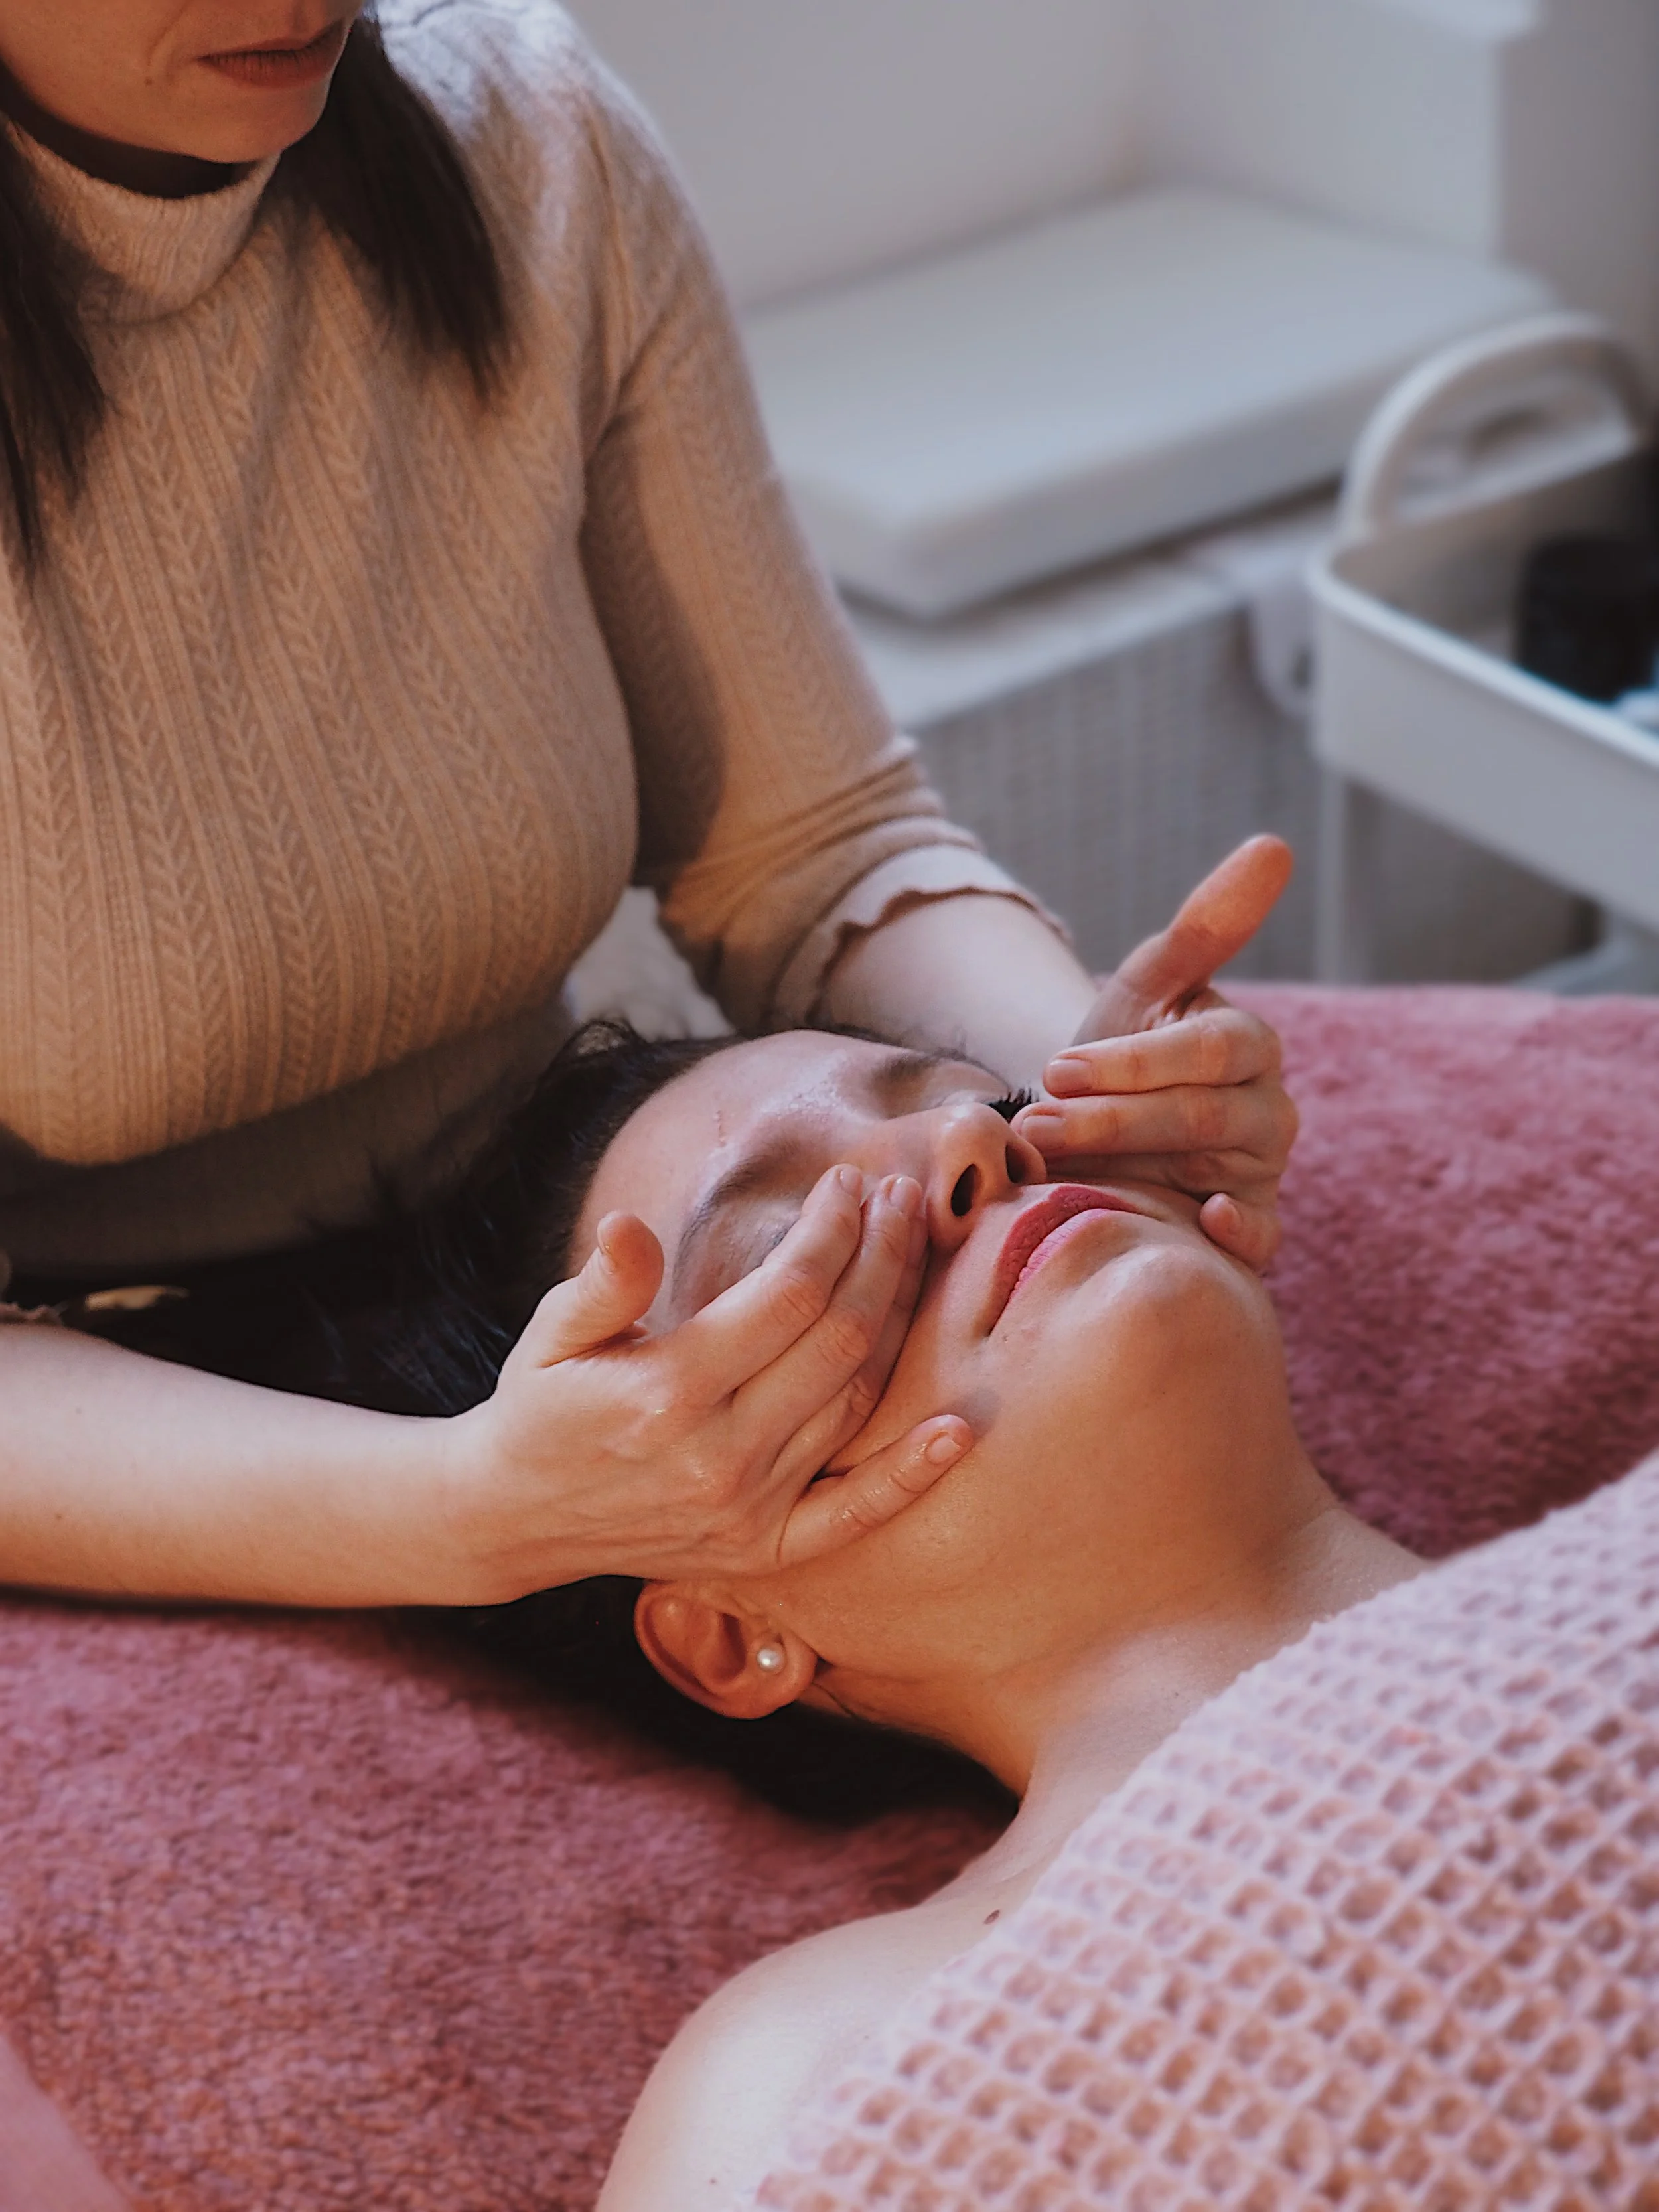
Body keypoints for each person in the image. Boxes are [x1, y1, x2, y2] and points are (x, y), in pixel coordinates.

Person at [0, 0, 1296, 1613]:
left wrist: (1087, 1090)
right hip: (107, 1423)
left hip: (550, 1255)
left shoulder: (530, 143)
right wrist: (462, 1512)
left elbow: (815, 844)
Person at [331, 1000, 1419, 2209]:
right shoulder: (817, 2079)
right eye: (796, 1247)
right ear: (733, 1633)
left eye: (1000, 1105)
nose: (972, 1145)